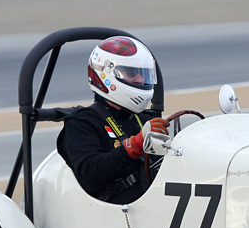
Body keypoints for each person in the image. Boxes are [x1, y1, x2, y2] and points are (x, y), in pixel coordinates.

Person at [57, 35, 170, 204]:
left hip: (154, 201)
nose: (140, 79)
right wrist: (133, 147)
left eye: (143, 73)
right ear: (105, 75)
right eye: (131, 73)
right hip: (113, 212)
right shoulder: (82, 123)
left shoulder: (145, 119)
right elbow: (91, 173)